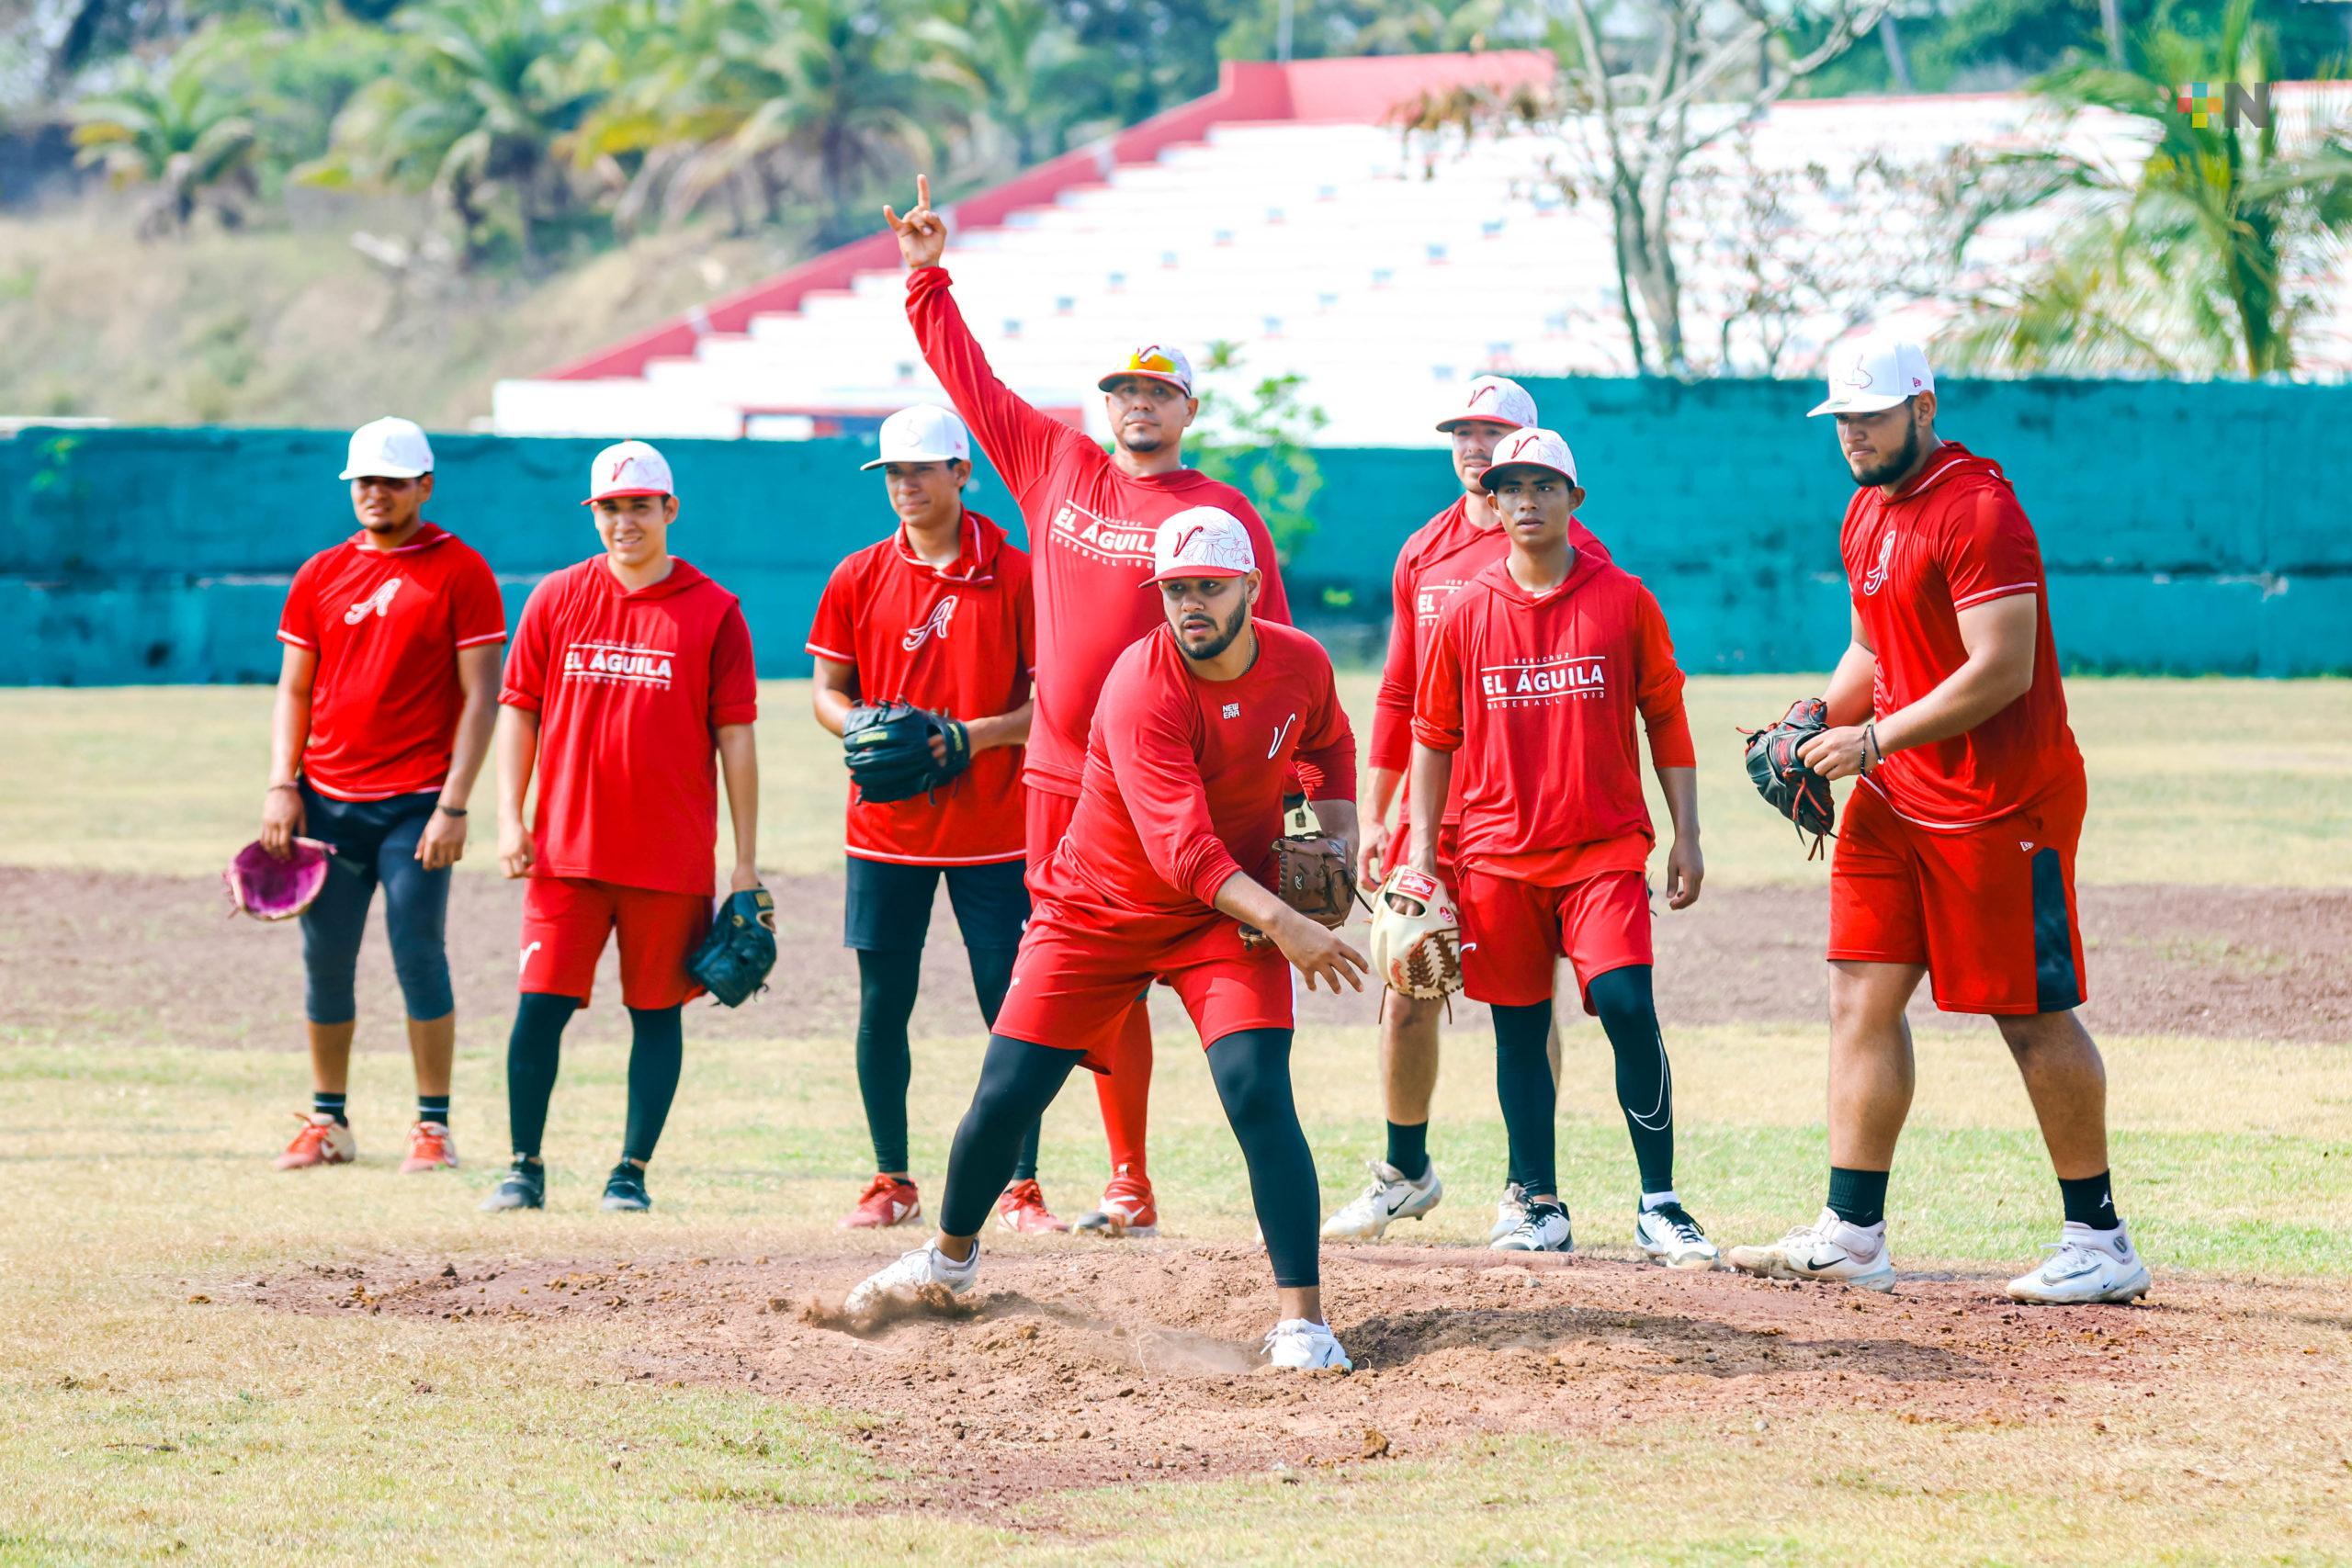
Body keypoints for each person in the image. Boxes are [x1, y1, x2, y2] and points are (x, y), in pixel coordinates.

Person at [842, 509, 1366, 1370]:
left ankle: (1302, 1320)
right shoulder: (1141, 682)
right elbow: (1183, 850)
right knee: (1005, 1099)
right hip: (1101, 910)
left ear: (1249, 588)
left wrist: (1339, 840)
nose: (1189, 602)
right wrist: (1289, 922)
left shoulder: (1301, 663)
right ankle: (950, 1257)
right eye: (1174, 588)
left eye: (1207, 585)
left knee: (1257, 1090)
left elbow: (1330, 744)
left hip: (1217, 920)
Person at [884, 175, 1295, 1238]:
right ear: (1103, 405)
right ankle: (1119, 1179)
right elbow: (969, 387)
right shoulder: (1055, 464)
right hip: (1064, 779)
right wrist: (926, 275)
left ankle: (1130, 1177)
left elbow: (1280, 663)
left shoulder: (1219, 513)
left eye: (1157, 393)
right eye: (1122, 391)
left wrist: (1297, 797)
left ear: (1187, 410)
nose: (1137, 405)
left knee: (1196, 980)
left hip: (1185, 788)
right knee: (1088, 979)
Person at [1727, 336, 2150, 1303]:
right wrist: (1814, 721)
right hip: (1900, 798)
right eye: (1842, 419)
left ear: (1923, 405)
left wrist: (1869, 743)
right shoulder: (1865, 509)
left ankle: (2099, 1238)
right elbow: (1872, 647)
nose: (1854, 435)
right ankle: (1853, 1230)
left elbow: (2000, 669)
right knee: (1858, 995)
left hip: (2002, 803)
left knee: (2028, 1013)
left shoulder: (1978, 508)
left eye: (1871, 416)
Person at [1407, 427, 1715, 1262]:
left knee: (1625, 1003)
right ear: (1494, 502)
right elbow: (1431, 737)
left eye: (1545, 486)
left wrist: (1686, 831)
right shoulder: (1466, 608)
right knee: (1517, 1027)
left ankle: (1660, 1201)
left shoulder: (1623, 598)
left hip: (1603, 850)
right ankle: (1535, 1197)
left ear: (1575, 501)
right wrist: (1418, 855)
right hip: (1496, 855)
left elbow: (1666, 716)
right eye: (1512, 488)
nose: (1527, 501)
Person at [1326, 375, 1613, 1245]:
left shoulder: (1570, 547)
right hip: (1436, 807)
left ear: (1535, 447)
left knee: (1528, 1001)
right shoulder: (1423, 551)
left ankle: (1532, 1188)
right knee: (1407, 981)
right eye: (1461, 431)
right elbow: (1402, 689)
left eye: (1493, 431)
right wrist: (1378, 813)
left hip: (1530, 810)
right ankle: (1404, 1169)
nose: (1473, 447)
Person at [481, 440, 763, 1214]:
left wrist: (744, 863)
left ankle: (629, 1171)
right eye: (610, 507)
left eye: (640, 505)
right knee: (539, 1006)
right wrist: (510, 816)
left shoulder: (714, 611)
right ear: (594, 513)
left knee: (655, 1014)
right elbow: (520, 711)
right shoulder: (556, 596)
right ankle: (522, 1165)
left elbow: (736, 738)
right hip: (566, 852)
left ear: (670, 509)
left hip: (668, 858)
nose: (624, 520)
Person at [808, 404, 1064, 1234]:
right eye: (892, 472)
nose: (904, 484)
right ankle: (891, 1179)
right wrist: (856, 726)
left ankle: (1021, 1186)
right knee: (884, 1004)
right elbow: (826, 691)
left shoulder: (1019, 575)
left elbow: (1051, 705)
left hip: (996, 827)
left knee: (1012, 1005)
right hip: (885, 830)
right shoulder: (856, 574)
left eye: (921, 469)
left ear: (962, 472)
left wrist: (969, 736)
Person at [264, 416, 505, 1174]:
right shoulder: (319, 573)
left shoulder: (461, 570)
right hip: (327, 800)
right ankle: (329, 1120)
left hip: (416, 804)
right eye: (364, 481)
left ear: (424, 487)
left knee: (417, 951)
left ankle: (432, 1126)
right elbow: (294, 690)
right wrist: (282, 784)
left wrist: (455, 803)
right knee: (325, 957)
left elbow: (482, 697)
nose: (375, 493)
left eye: (392, 481)